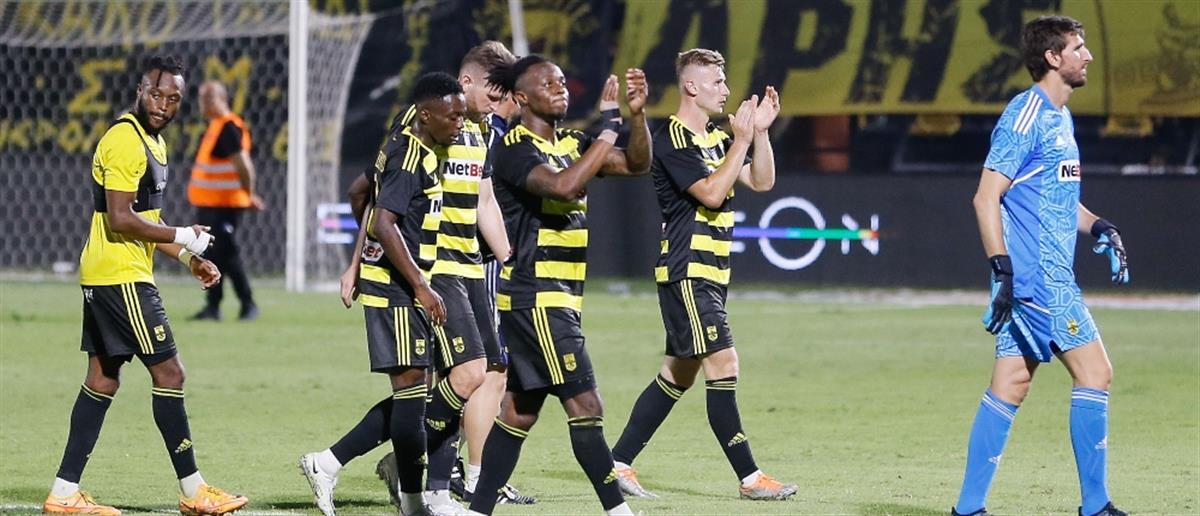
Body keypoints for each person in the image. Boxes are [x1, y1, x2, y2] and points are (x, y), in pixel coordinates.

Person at [43, 55, 248, 516]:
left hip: (111, 274)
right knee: (170, 373)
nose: (162, 105)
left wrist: (188, 257)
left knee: (102, 379)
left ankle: (63, 493)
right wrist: (184, 235)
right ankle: (195, 492)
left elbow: (146, 221)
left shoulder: (154, 142)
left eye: (173, 99)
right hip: (121, 278)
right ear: (140, 90)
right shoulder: (125, 140)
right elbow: (120, 218)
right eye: (156, 95)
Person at [952, 15, 1129, 516]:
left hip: (1042, 277)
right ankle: (1095, 505)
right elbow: (986, 197)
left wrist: (1098, 226)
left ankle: (967, 508)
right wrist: (1003, 269)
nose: (1087, 55)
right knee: (1095, 372)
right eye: (1078, 47)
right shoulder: (1025, 115)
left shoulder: (1060, 116)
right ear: (1053, 58)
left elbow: (1056, 198)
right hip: (1040, 280)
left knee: (1011, 384)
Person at [607, 48, 797, 502]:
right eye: (717, 82)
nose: (726, 90)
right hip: (687, 271)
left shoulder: (714, 136)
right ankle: (750, 478)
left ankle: (616, 463)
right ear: (691, 86)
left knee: (678, 374)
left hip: (711, 272)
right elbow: (711, 193)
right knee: (725, 363)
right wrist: (740, 141)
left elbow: (763, 181)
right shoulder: (670, 138)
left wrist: (760, 134)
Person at [465, 55, 651, 516]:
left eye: (563, 81)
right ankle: (618, 511)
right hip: (536, 296)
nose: (560, 88)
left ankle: (476, 510)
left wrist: (636, 117)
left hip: (558, 297)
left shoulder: (572, 142)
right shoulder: (513, 148)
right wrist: (608, 130)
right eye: (547, 83)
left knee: (519, 412)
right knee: (587, 404)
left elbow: (636, 163)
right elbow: (564, 186)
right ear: (521, 98)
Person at [298, 72, 460, 516]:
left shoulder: (409, 137)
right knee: (412, 398)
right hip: (398, 290)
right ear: (426, 115)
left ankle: (327, 463)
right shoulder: (410, 157)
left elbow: (361, 194)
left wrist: (360, 261)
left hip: (402, 283)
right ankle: (412, 500)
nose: (460, 123)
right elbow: (384, 223)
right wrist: (419, 284)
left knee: (418, 395)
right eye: (453, 116)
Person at [187, 80, 264, 322]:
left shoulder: (229, 127)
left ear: (218, 99)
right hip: (211, 203)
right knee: (214, 253)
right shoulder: (216, 126)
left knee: (226, 252)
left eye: (206, 98)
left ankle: (247, 303)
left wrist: (249, 195)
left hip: (224, 204)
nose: (201, 104)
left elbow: (244, 166)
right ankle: (213, 306)